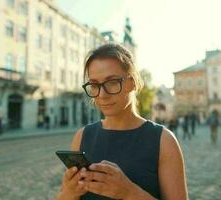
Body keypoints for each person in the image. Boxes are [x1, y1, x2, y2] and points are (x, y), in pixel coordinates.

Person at [56, 44, 188, 200]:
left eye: (112, 82)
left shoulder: (163, 141)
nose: (102, 94)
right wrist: (69, 193)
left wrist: (129, 193)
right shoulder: (83, 136)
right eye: (94, 84)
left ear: (132, 82)